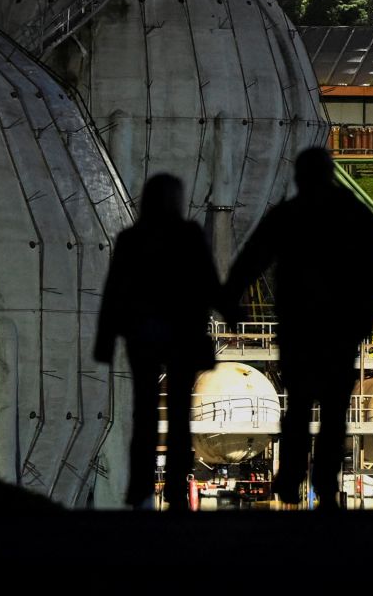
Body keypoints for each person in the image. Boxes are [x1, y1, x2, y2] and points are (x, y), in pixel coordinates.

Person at [223, 146, 373, 509]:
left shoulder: (289, 215)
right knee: (333, 412)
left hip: (300, 329)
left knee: (297, 407)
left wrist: (230, 304)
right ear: (330, 174)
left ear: (299, 177)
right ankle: (326, 483)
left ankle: (290, 478)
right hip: (339, 332)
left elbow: (250, 260)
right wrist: (364, 321)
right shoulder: (355, 216)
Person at [94, 173, 220, 510]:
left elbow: (114, 292)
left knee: (145, 415)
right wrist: (233, 313)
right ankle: (177, 487)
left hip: (142, 336)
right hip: (182, 337)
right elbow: (208, 281)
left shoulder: (132, 238)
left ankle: (140, 488)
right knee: (180, 417)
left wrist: (104, 342)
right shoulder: (189, 235)